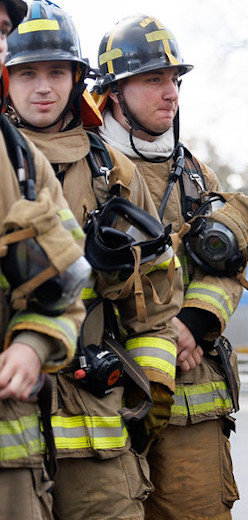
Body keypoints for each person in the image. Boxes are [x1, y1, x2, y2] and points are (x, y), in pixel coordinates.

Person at [5, 2, 185, 518]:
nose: (44, 87)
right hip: (10, 406)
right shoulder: (2, 159)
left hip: (96, 413)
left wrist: (151, 391)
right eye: (27, 72)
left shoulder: (113, 172)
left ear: (79, 78)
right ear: (6, 77)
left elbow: (156, 298)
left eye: (57, 71)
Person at [92, 14, 248, 520]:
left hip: (194, 391)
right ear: (114, 92)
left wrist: (195, 323)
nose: (170, 93)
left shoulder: (195, 173)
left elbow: (231, 263)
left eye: (174, 80)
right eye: (154, 80)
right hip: (107, 388)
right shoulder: (87, 166)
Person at [0, 1, 88, 518]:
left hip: (9, 454)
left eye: (3, 30)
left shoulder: (19, 160)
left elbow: (69, 285)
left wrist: (33, 344)